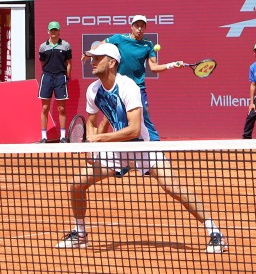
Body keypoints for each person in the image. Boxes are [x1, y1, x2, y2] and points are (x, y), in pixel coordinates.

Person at [56, 43, 228, 253]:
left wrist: (99, 139)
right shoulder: (94, 90)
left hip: (143, 146)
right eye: (92, 57)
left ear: (111, 63)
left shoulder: (128, 87)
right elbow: (91, 123)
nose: (92, 61)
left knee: (173, 187)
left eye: (98, 58)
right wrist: (93, 142)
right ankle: (80, 234)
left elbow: (134, 129)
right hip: (115, 150)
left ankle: (215, 232)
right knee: (77, 184)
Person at [82, 15, 183, 134]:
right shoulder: (119, 38)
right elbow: (101, 45)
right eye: (137, 26)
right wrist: (89, 54)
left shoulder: (148, 45)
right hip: (117, 87)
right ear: (132, 27)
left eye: (142, 26)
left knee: (143, 116)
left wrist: (171, 64)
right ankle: (98, 145)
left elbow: (154, 68)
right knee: (108, 119)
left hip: (138, 86)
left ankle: (147, 144)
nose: (139, 28)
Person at [38, 21, 72, 143]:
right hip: (47, 77)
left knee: (61, 109)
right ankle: (43, 137)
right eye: (51, 30)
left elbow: (69, 63)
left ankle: (63, 136)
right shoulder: (43, 47)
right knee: (45, 108)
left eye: (55, 30)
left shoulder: (66, 45)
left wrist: (66, 77)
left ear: (59, 31)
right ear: (48, 31)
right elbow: (43, 63)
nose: (53, 32)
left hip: (60, 78)